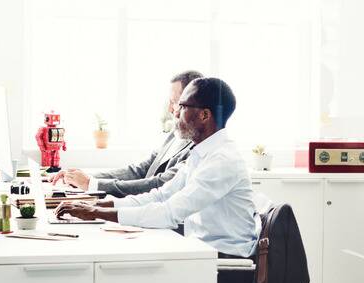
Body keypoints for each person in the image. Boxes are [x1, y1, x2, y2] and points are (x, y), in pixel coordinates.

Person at [54, 77, 258, 259]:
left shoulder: (222, 160)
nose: (175, 112)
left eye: (182, 106)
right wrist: (101, 206)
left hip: (225, 264)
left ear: (204, 115)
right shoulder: (202, 153)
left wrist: (95, 212)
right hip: (202, 253)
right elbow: (159, 196)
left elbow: (169, 213)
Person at [51, 70, 205, 197]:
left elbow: (159, 184)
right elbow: (139, 171)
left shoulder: (199, 148)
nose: (171, 109)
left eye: (175, 102)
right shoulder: (175, 135)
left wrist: (92, 184)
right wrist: (81, 177)